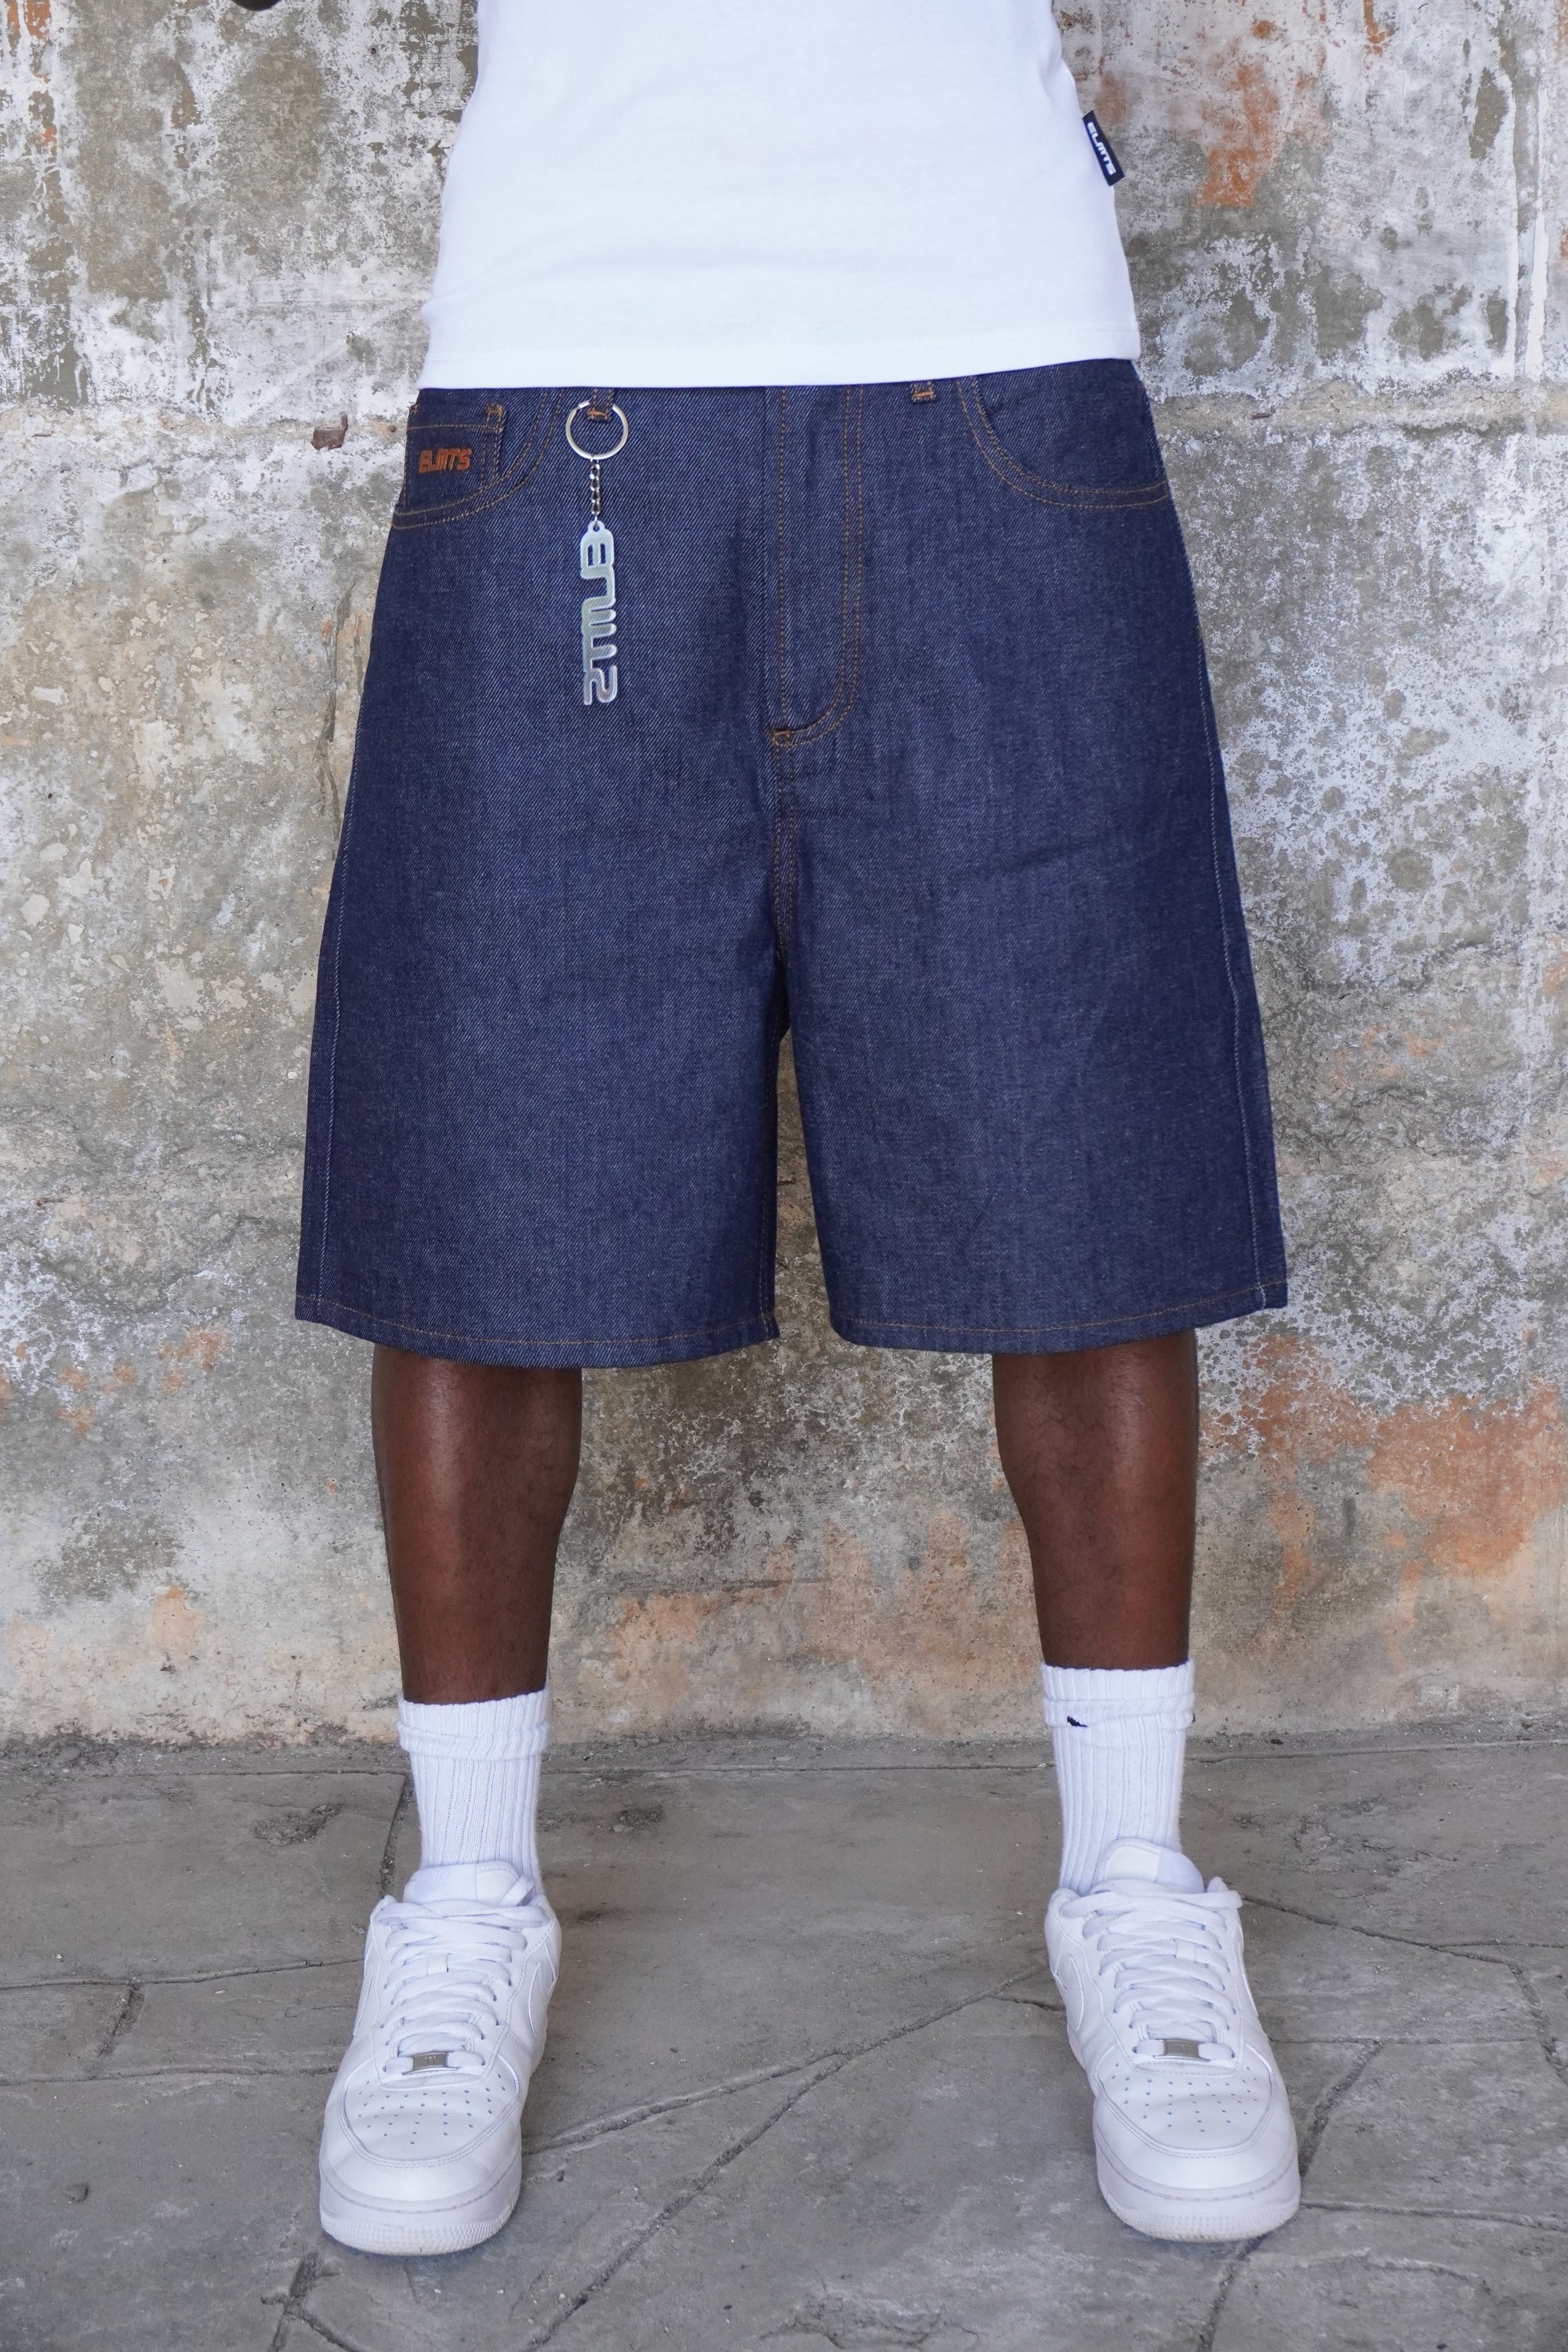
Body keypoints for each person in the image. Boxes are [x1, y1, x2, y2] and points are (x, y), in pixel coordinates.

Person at [288, 0, 1297, 2260]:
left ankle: (1136, 1887)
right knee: (487, 1155)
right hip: (566, 374)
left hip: (995, 358)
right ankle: (464, 1906)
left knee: (1078, 1152)